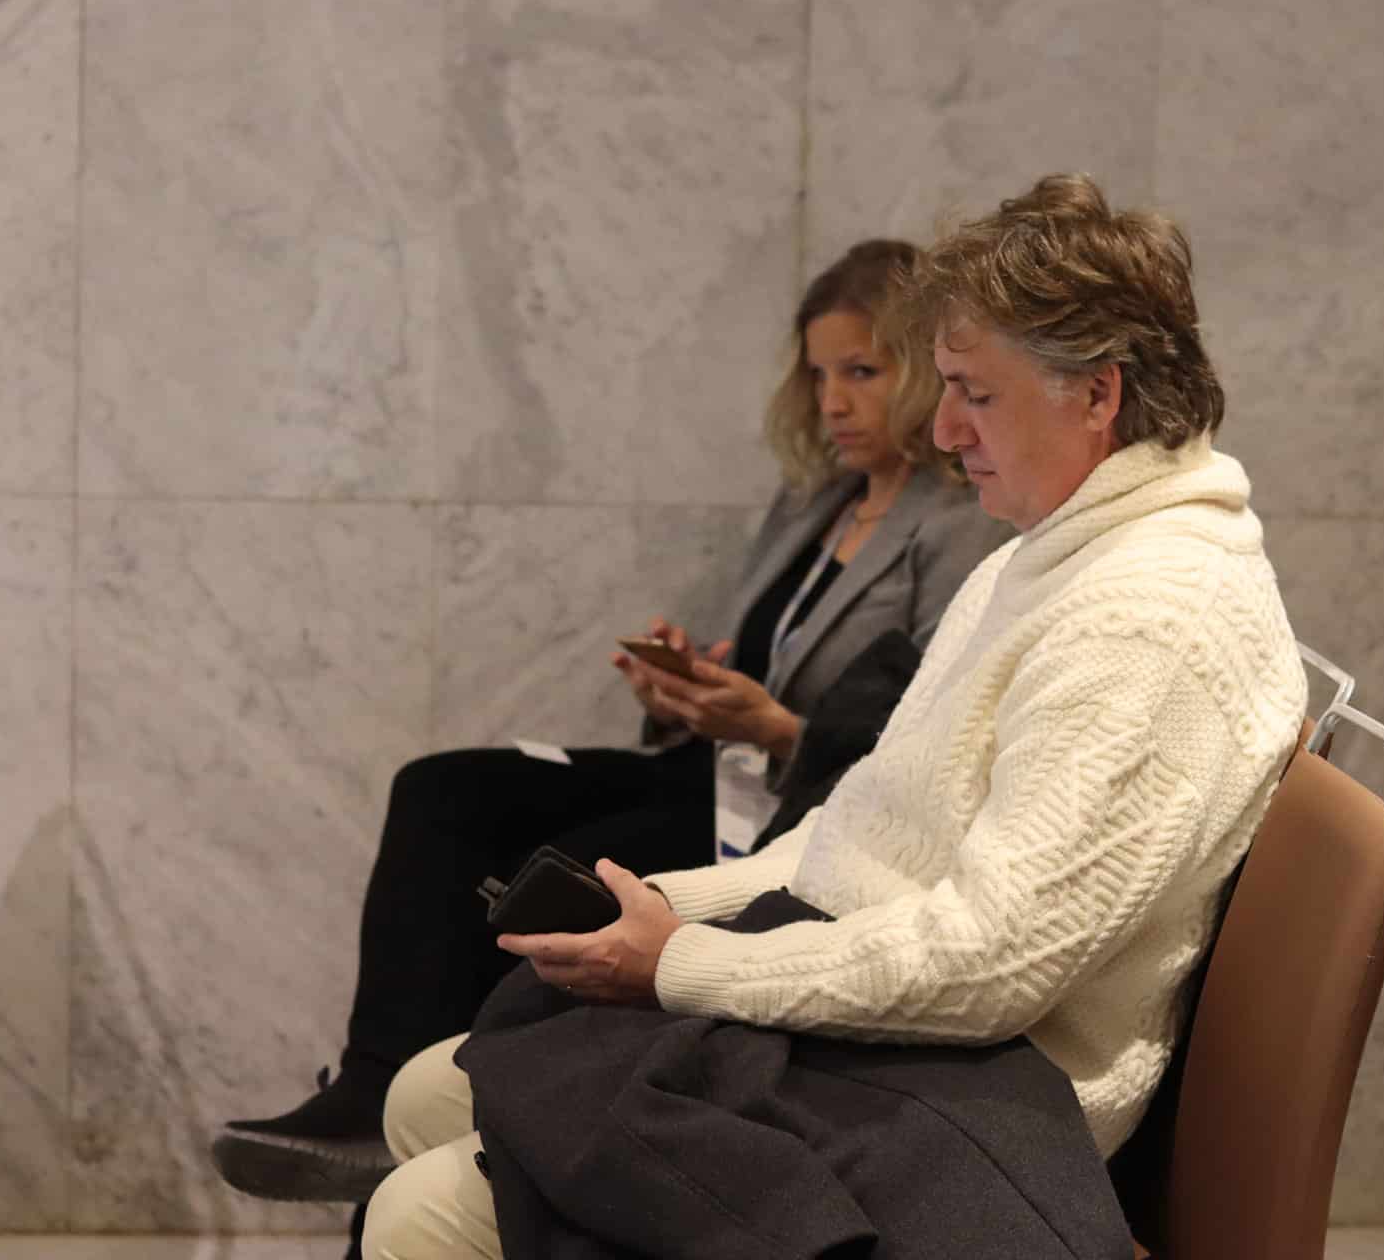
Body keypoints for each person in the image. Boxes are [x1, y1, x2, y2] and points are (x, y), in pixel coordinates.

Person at [360, 173, 1311, 1259]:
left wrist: (683, 965)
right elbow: (865, 829)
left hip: (971, 1101)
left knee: (419, 1210)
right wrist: (668, 906)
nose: (942, 429)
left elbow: (992, 967)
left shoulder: (1146, 620)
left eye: (975, 393)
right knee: (429, 1089)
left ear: (1097, 394)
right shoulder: (1049, 553)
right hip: (894, 1037)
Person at [213, 240, 1012, 1204]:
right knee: (442, 788)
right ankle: (374, 1092)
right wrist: (688, 683)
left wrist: (775, 728)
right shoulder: (817, 502)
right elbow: (771, 662)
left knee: (549, 869)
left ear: (923, 371)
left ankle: (443, 1133)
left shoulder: (960, 524)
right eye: (817, 376)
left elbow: (919, 740)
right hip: (712, 767)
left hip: (795, 809)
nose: (833, 401)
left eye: (862, 373)